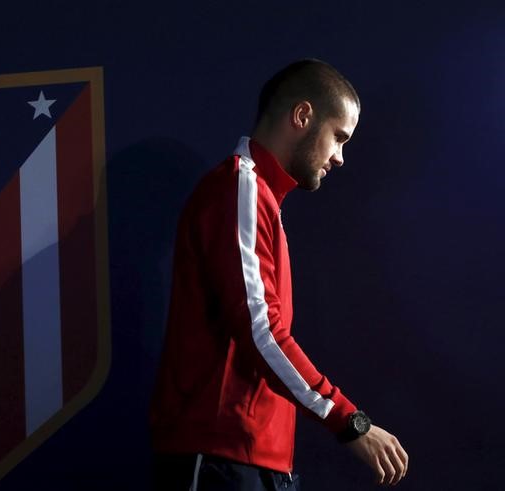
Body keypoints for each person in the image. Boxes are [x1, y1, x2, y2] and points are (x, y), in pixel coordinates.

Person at [150, 59, 409, 490]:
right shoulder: (238, 188)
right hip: (220, 458)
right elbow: (260, 330)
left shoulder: (261, 197)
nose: (341, 157)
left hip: (256, 460)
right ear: (303, 116)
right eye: (339, 137)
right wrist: (350, 421)